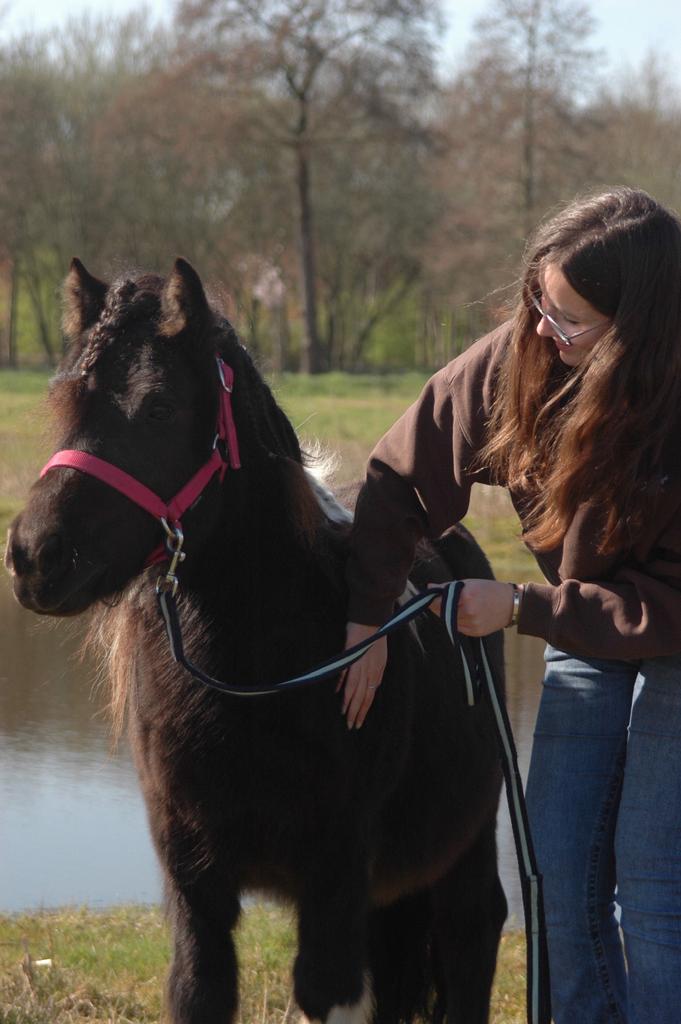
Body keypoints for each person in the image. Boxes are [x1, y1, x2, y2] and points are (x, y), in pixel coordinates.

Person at [340, 187, 681, 1024]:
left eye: (567, 322)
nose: (539, 331)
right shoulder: (521, 357)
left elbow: (669, 605)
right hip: (584, 634)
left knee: (650, 880)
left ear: (633, 333)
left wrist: (522, 606)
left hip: (671, 636)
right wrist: (363, 618)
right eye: (537, 301)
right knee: (554, 870)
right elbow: (395, 478)